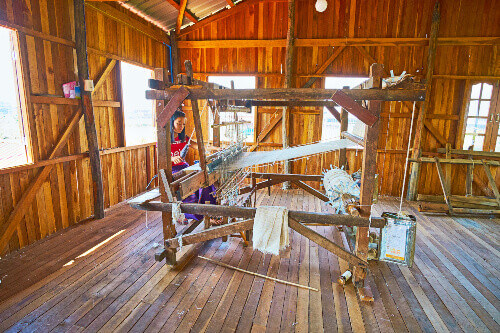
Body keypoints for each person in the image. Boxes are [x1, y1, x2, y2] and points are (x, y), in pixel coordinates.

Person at [170, 110, 217, 224]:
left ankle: (209, 213)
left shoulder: (183, 138)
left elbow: (199, 147)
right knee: (189, 185)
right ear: (171, 123)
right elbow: (160, 156)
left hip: (184, 167)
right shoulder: (164, 139)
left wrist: (215, 149)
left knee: (204, 180)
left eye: (183, 124)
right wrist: (172, 159)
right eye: (178, 123)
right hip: (172, 170)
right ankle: (192, 213)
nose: (181, 126)